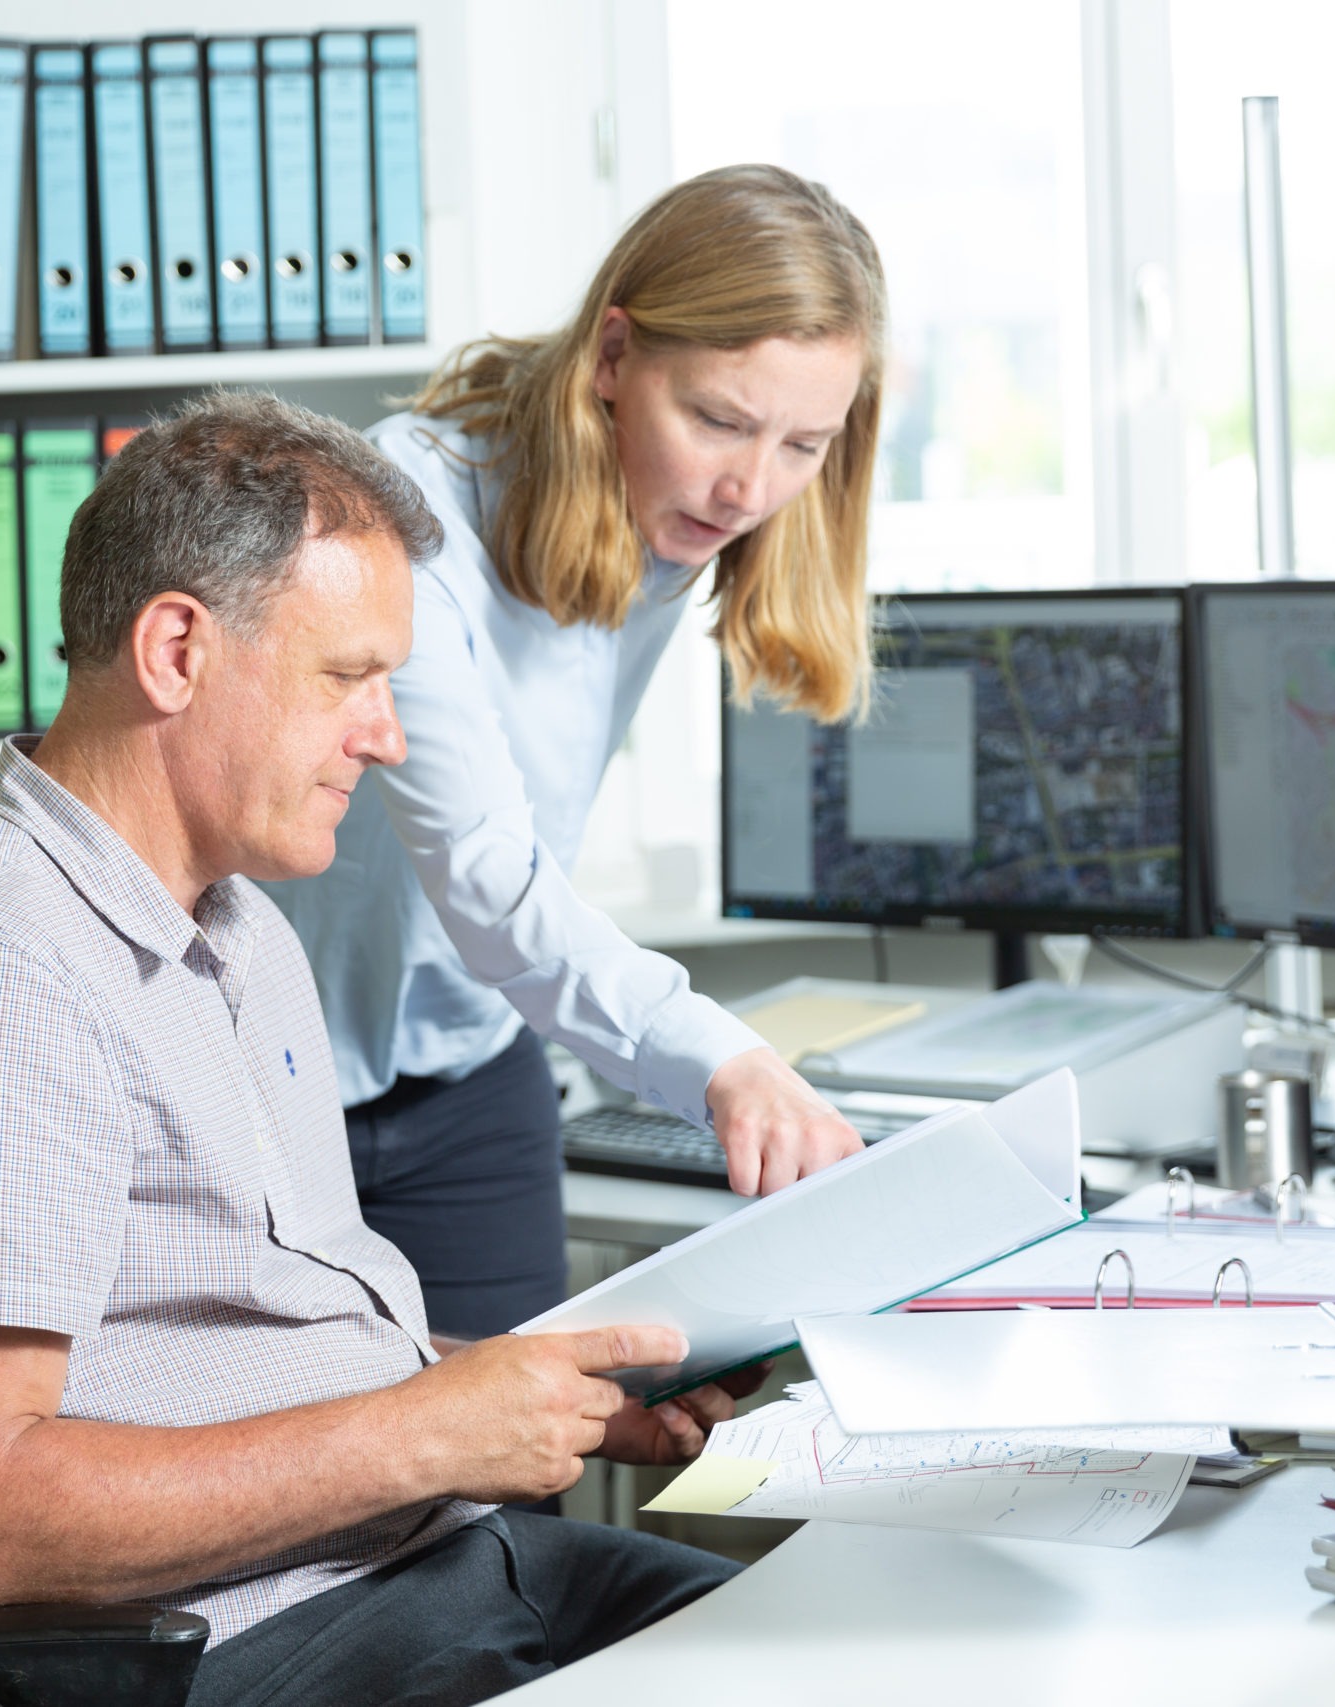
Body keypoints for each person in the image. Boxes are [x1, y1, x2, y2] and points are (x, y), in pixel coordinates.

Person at [0, 393, 755, 1707]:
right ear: (177, 648)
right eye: (347, 676)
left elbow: (256, 1343)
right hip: (257, 1645)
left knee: (856, 1643)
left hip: (430, 1572)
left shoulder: (239, 932)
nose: (388, 734)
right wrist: (428, 1431)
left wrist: (532, 1390)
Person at [263, 164, 890, 1338]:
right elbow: (488, 871)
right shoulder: (408, 509)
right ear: (611, 358)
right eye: (715, 418)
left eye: (804, 443)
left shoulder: (680, 515)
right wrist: (724, 1062)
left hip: (472, 1074)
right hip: (275, 1091)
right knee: (317, 1498)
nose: (750, 486)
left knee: (515, 1490)